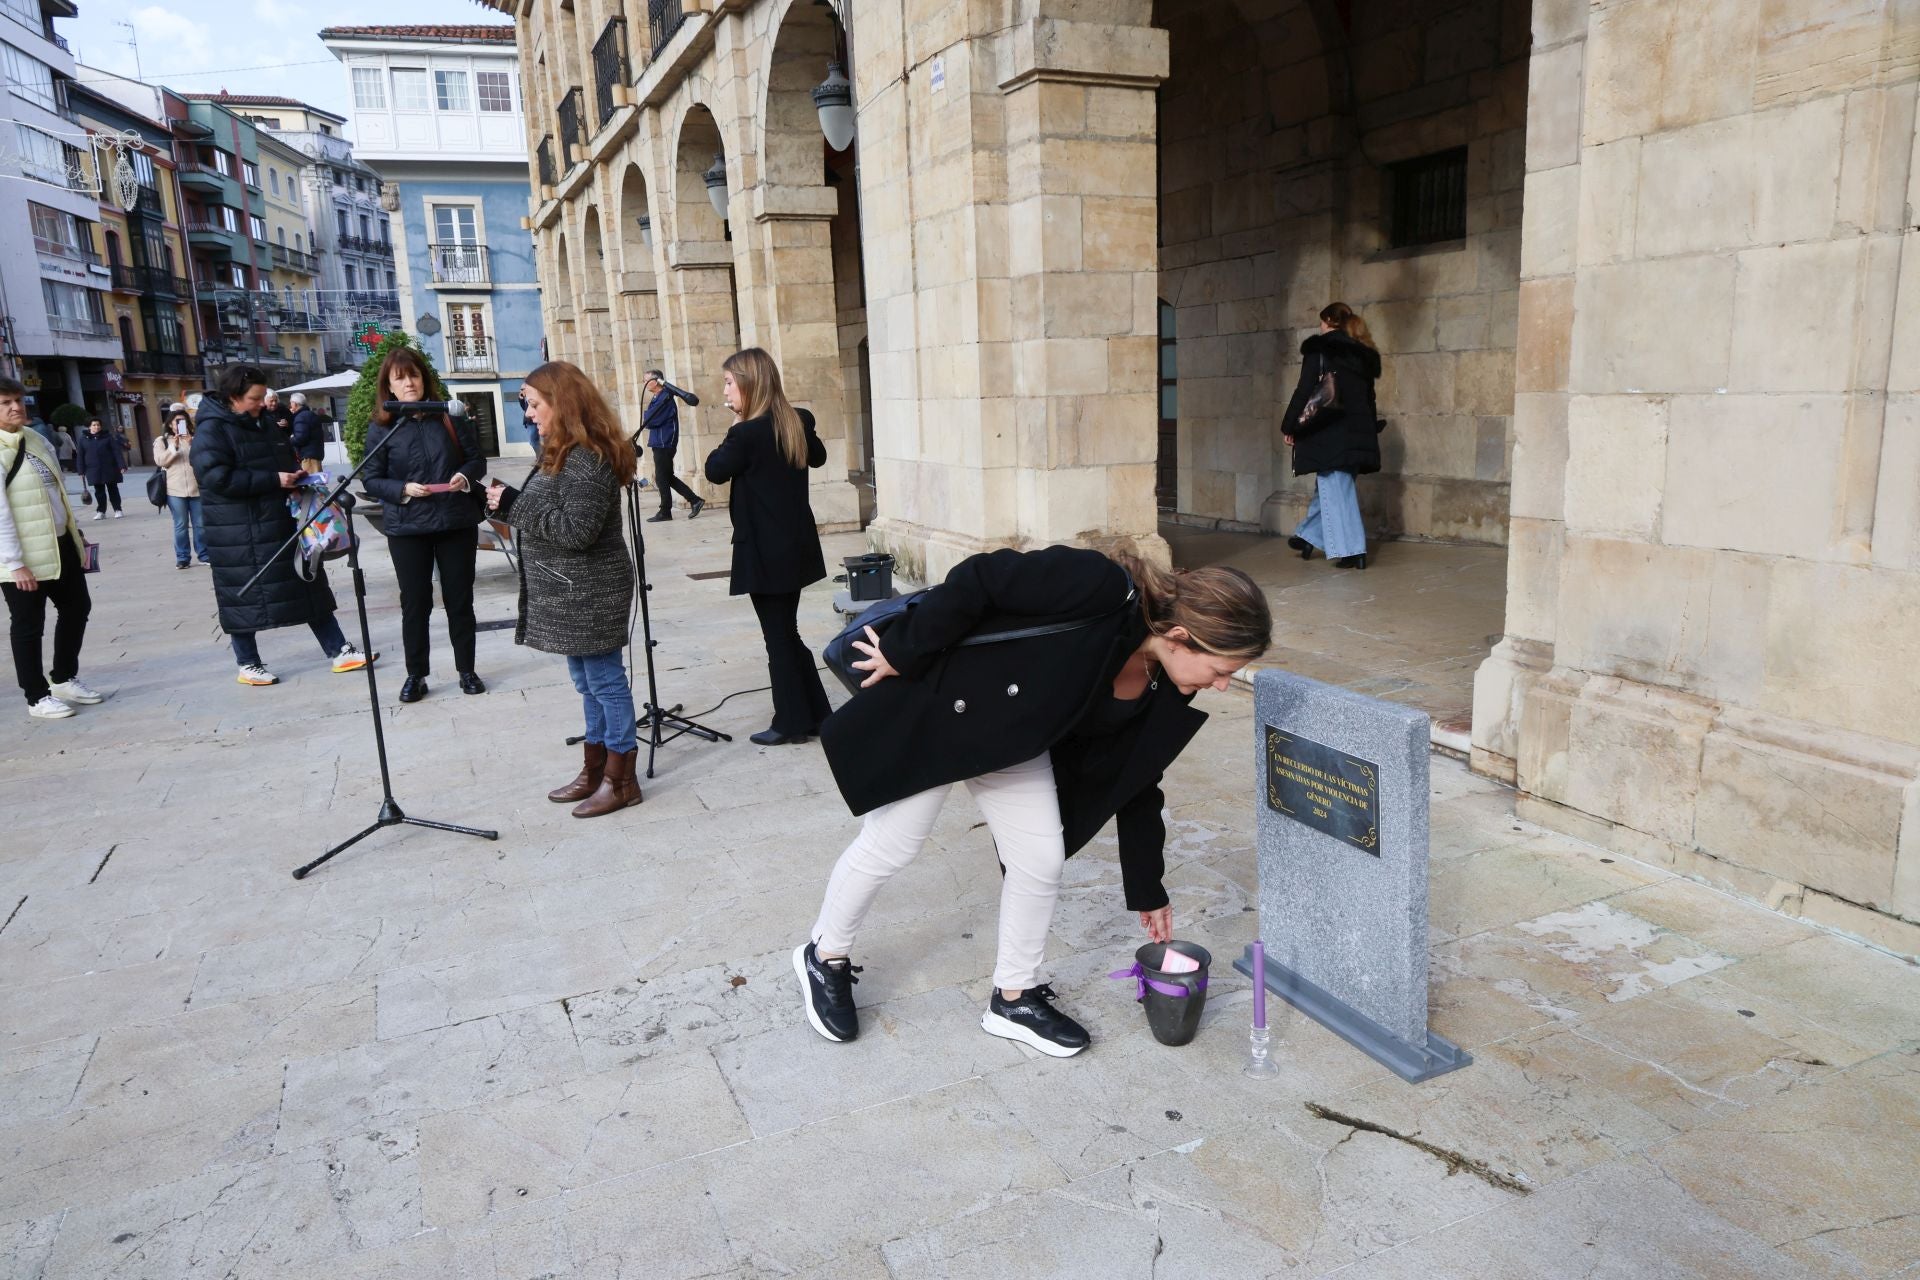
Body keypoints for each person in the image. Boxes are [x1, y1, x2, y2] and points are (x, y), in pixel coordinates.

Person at [795, 546, 1273, 1056]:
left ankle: (1014, 998)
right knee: (893, 844)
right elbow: (982, 577)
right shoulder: (1098, 585)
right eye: (1221, 669)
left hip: (1015, 744)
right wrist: (903, 649)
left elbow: (1138, 778)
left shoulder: (1168, 685)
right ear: (1181, 637)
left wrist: (1147, 886)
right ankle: (824, 956)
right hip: (944, 712)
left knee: (1040, 861)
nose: (1222, 685)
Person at [485, 361, 640, 818]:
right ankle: (594, 771)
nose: (529, 413)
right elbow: (546, 510)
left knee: (605, 681)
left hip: (591, 591)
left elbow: (576, 531)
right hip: (570, 591)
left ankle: (620, 779)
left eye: (534, 404)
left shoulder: (588, 459)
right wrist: (499, 500)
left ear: (562, 403)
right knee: (586, 681)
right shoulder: (560, 450)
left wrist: (512, 505)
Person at [192, 363, 370, 686]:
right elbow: (215, 477)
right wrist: (274, 479)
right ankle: (247, 663)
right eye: (255, 398)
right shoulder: (212, 428)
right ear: (233, 397)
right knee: (243, 594)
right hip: (237, 531)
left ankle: (339, 649)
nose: (262, 403)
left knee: (308, 582)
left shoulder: (264, 423)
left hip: (280, 519)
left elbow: (284, 456)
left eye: (263, 397)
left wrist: (297, 477)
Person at [702, 347, 831, 747]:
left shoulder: (745, 433)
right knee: (786, 631)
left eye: (728, 382)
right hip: (795, 546)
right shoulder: (797, 421)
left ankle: (790, 721)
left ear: (748, 384)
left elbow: (714, 470)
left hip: (763, 550)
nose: (724, 389)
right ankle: (815, 715)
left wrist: (737, 422)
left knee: (777, 636)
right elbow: (819, 457)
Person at [361, 347, 487, 702]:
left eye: (413, 375)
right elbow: (371, 479)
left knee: (459, 600)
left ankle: (467, 670)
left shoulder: (449, 417)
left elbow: (476, 459)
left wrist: (464, 475)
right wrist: (401, 489)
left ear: (424, 378)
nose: (409, 383)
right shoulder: (382, 426)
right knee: (415, 603)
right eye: (400, 378)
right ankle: (416, 675)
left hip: (455, 521)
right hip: (407, 526)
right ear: (389, 385)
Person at [0, 376, 103, 719]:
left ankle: (62, 677)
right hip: (21, 556)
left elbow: (56, 493)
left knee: (77, 608)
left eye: (18, 400)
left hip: (59, 543)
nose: (16, 407)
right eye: (5, 403)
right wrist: (14, 563)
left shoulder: (36, 439)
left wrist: (76, 533)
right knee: (28, 623)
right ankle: (36, 696)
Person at [1283, 301, 1381, 570]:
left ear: (1327, 320)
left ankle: (1353, 550)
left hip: (1330, 429)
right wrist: (1370, 430)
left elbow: (1304, 391)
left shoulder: (1321, 348)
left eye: (1321, 321)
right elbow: (1369, 399)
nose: (1320, 326)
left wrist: (1290, 426)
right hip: (1358, 432)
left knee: (1337, 489)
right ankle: (1308, 536)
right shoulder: (1362, 352)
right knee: (1331, 486)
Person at [640, 370, 704, 522]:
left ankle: (665, 511)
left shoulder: (665, 398)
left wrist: (647, 417)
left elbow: (651, 419)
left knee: (662, 477)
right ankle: (695, 500)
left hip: (665, 442)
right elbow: (648, 419)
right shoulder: (658, 398)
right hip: (658, 442)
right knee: (665, 476)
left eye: (646, 380)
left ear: (656, 381)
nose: (644, 384)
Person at [153, 416, 209, 569]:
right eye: (175, 422)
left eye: (182, 422)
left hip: (196, 488)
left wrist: (192, 444)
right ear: (170, 425)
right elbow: (161, 461)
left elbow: (205, 458)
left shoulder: (195, 439)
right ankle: (183, 557)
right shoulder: (162, 441)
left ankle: (204, 554)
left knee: (200, 524)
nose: (178, 425)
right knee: (181, 524)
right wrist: (173, 447)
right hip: (175, 489)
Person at [75, 418, 126, 519]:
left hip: (109, 468)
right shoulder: (83, 439)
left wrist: (121, 465)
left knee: (113, 489)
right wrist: (81, 471)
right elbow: (80, 456)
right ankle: (101, 511)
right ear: (89, 426)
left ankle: (118, 509)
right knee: (99, 492)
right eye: (94, 425)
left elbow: (116, 452)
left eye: (98, 425)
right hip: (93, 469)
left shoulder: (108, 437)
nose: (96, 427)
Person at [288, 393, 327, 475]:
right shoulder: (309, 414)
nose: (290, 405)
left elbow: (300, 438)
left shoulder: (301, 417)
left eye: (291, 403)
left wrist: (289, 440)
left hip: (308, 456)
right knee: (317, 482)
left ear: (294, 404)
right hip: (315, 454)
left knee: (312, 483)